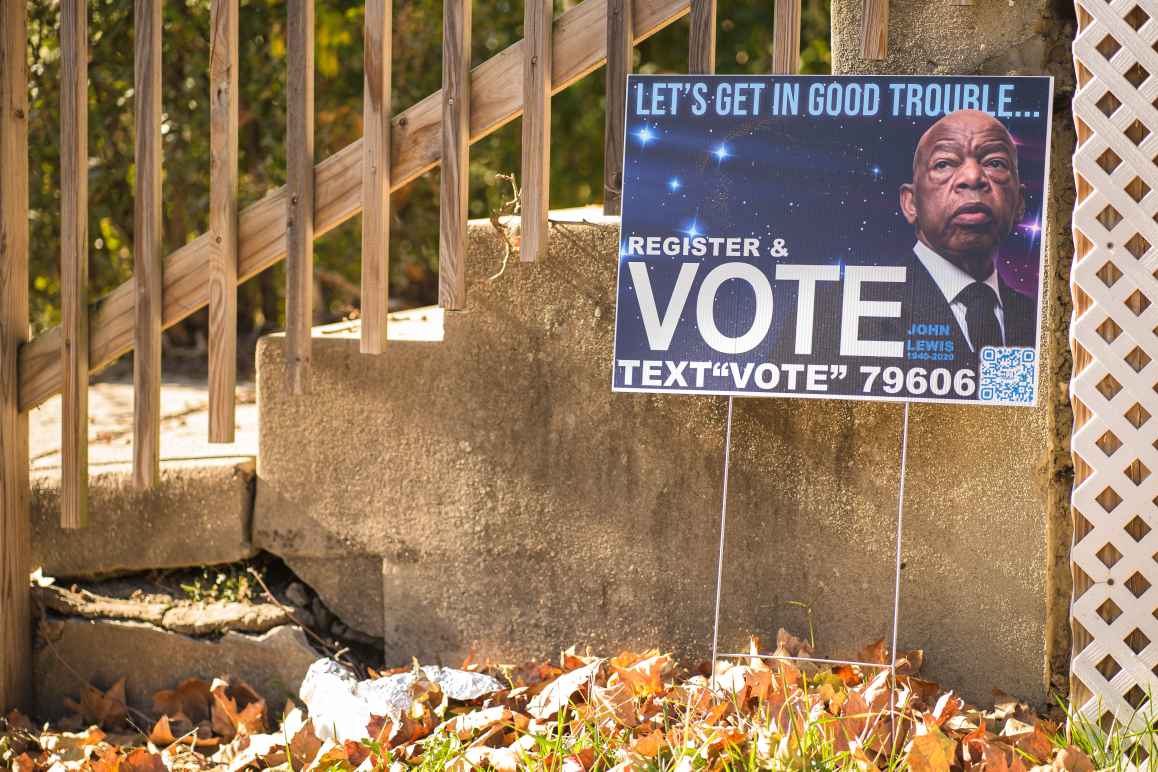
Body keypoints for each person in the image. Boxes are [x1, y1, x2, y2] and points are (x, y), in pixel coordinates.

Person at [899, 109, 1037, 357]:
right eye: (944, 164)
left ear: (1019, 203)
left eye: (995, 163)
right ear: (911, 203)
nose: (973, 177)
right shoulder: (859, 309)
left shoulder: (1037, 318)